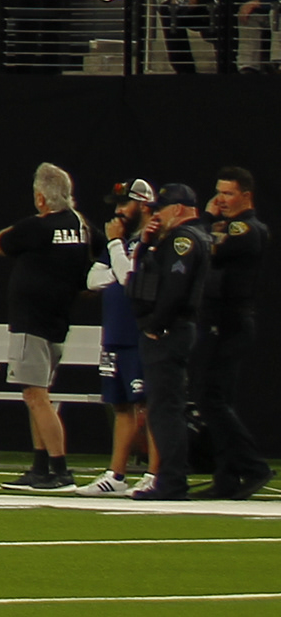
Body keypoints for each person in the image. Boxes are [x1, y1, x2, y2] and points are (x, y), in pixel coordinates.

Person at [0, 162, 95, 491]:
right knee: (37, 394)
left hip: (31, 320)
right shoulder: (80, 226)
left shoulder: (36, 226)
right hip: (57, 319)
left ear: (40, 198)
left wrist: (24, 225)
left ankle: (60, 469)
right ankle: (40, 467)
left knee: (35, 396)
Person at [138, 179, 213, 499]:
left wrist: (156, 325)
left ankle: (171, 481)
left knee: (164, 408)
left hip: (170, 331)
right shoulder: (186, 236)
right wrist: (147, 244)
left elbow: (174, 288)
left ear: (179, 208)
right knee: (165, 406)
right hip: (176, 329)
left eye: (162, 209)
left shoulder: (183, 239)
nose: (157, 215)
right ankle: (170, 478)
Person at [83, 182, 154, 494]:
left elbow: (130, 279)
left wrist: (115, 247)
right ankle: (116, 475)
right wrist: (117, 260)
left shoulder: (152, 238)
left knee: (147, 405)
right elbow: (93, 279)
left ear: (144, 204)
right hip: (114, 333)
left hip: (139, 332)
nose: (118, 211)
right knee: (121, 405)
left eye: (125, 204)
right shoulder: (122, 241)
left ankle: (154, 474)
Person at [198, 164, 264, 502]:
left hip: (230, 322)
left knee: (212, 398)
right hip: (220, 320)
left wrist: (207, 221)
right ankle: (226, 476)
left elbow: (207, 249)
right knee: (215, 400)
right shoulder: (228, 227)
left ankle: (254, 467)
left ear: (245, 196)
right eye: (218, 192)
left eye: (228, 193)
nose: (221, 199)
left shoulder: (247, 228)